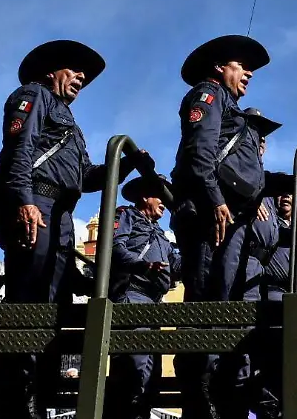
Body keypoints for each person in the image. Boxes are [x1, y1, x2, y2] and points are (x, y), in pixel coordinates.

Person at [0, 39, 147, 418]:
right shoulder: (34, 95)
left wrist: (126, 165)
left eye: (84, 75)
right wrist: (23, 201)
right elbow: (19, 151)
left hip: (61, 213)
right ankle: (18, 402)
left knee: (56, 306)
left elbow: (88, 177)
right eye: (74, 70)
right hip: (36, 205)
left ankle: (41, 395)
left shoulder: (71, 125)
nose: (81, 78)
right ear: (51, 71)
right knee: (29, 303)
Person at [170, 35, 270, 419]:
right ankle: (199, 398)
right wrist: (215, 201)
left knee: (221, 305)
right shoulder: (208, 95)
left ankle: (216, 394)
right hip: (209, 216)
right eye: (241, 65)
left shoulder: (231, 107)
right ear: (219, 67)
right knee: (205, 306)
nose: (249, 74)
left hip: (230, 218)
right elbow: (199, 154)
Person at [103, 174, 180, 419]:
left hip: (154, 304)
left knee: (150, 373)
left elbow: (176, 264)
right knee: (133, 368)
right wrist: (142, 265)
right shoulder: (126, 215)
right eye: (160, 195)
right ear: (145, 196)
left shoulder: (161, 233)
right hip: (132, 295)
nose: (164, 202)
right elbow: (114, 247)